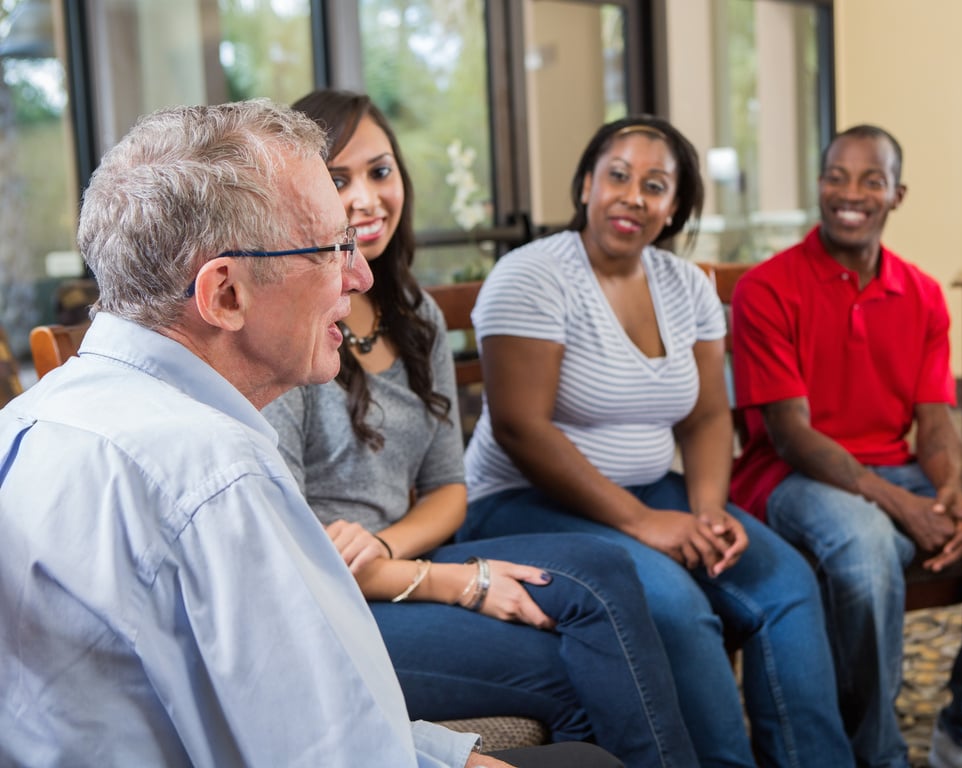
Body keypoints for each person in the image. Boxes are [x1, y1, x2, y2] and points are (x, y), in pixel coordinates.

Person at [0, 99, 618, 768]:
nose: (361, 276)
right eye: (331, 249)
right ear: (225, 294)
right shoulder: (216, 478)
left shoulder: (28, 420)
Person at [262, 89, 695, 767]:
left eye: (380, 171)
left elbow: (447, 490)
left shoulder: (414, 312)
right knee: (575, 667)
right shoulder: (285, 328)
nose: (366, 198)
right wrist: (456, 580)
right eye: (336, 179)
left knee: (604, 570)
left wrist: (384, 545)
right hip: (326, 612)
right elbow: (286, 553)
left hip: (398, 558)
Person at [457, 114, 854, 768]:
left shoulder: (687, 284)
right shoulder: (532, 276)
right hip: (522, 502)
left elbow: (703, 417)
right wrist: (642, 522)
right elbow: (521, 429)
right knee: (674, 604)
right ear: (586, 184)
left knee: (786, 583)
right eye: (617, 176)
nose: (633, 196)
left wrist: (704, 512)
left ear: (674, 207)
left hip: (650, 494)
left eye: (655, 185)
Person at [728, 123, 962, 768]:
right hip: (785, 478)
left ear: (897, 194)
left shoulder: (924, 294)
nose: (851, 193)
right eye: (837, 177)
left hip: (893, 467)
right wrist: (901, 508)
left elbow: (933, 421)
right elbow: (790, 434)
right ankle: (875, 753)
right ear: (819, 186)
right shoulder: (766, 288)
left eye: (871, 179)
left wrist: (950, 491)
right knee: (865, 542)